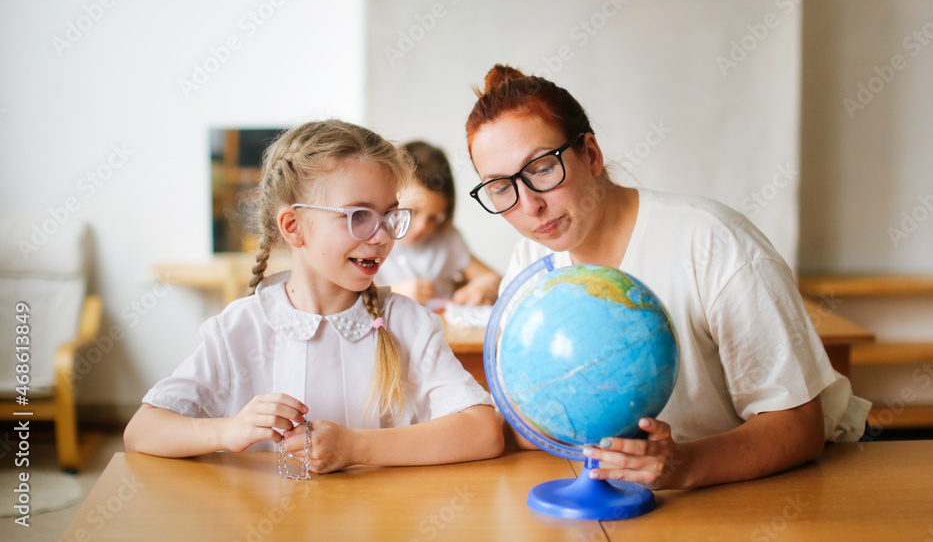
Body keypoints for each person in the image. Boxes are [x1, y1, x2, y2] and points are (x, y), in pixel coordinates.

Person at [465, 65, 871, 490]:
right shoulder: (531, 260)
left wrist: (684, 465)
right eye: (499, 188)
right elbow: (534, 418)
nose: (529, 206)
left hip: (762, 490)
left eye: (543, 168)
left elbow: (798, 427)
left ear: (591, 154)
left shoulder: (713, 242)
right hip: (630, 496)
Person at [124, 120, 504, 473]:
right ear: (294, 227)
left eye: (390, 216)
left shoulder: (410, 325)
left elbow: (483, 432)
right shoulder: (238, 328)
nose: (382, 236)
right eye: (359, 216)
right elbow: (143, 430)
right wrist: (228, 431)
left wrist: (356, 448)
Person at [376, 141, 501, 307]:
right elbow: (345, 295)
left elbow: (494, 278)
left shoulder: (444, 237)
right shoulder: (372, 238)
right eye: (414, 211)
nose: (422, 226)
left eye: (434, 217)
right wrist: (393, 292)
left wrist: (483, 286)